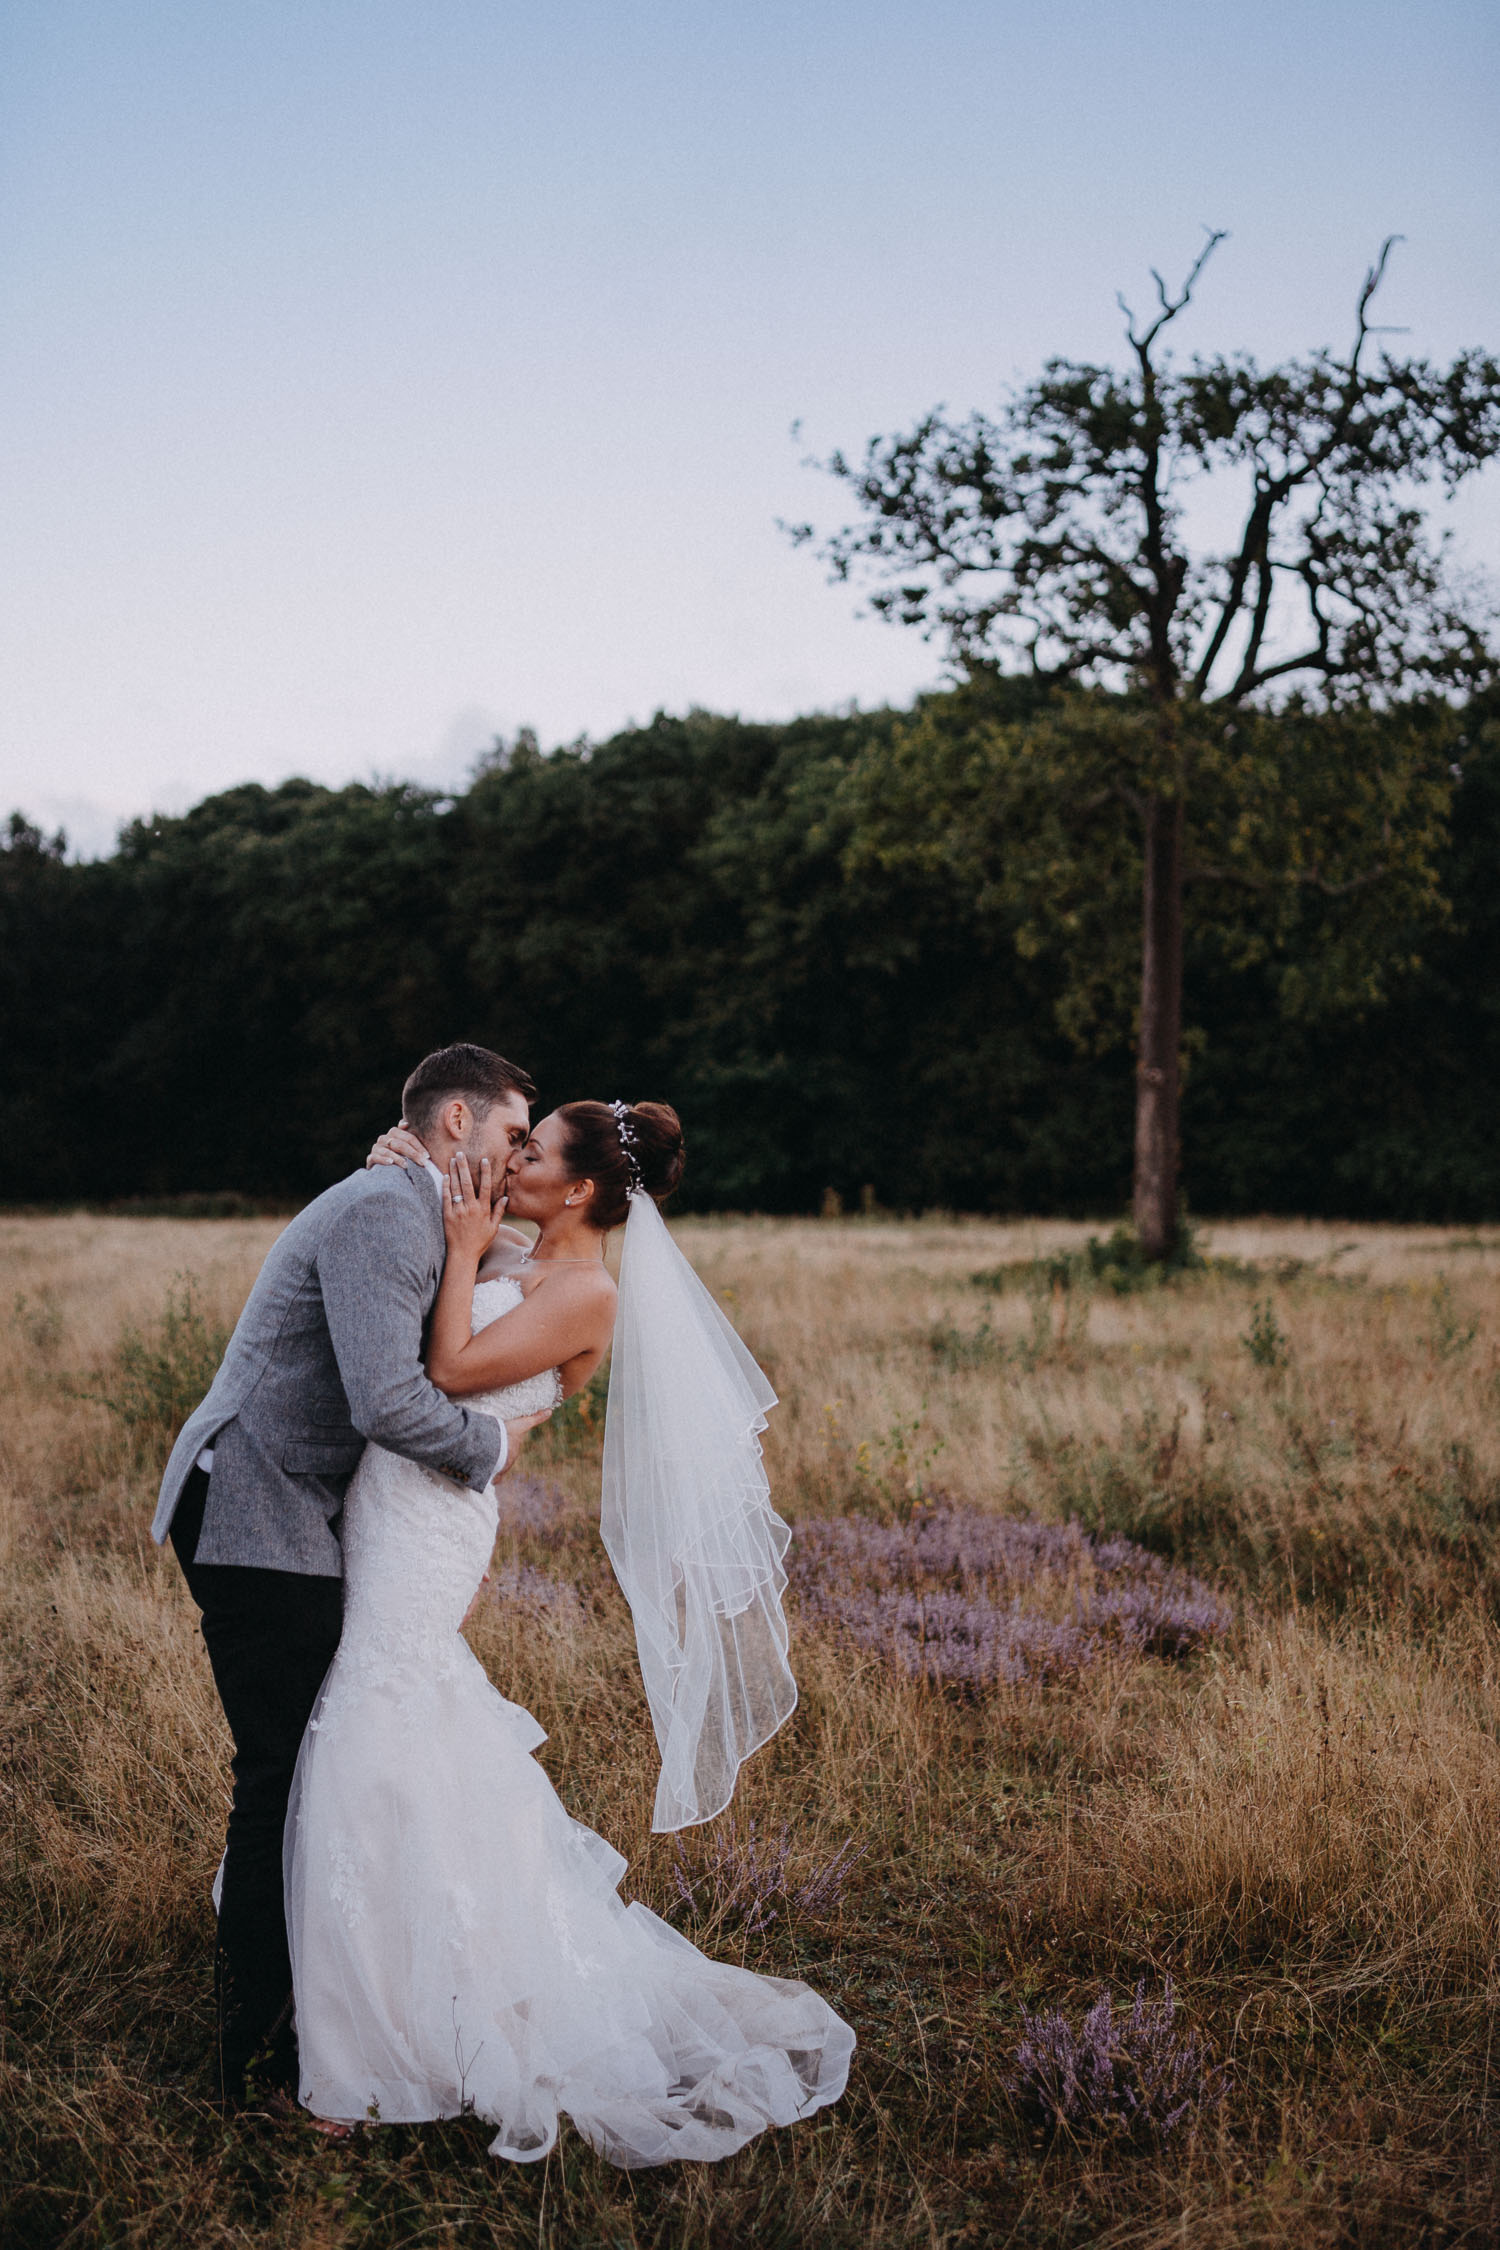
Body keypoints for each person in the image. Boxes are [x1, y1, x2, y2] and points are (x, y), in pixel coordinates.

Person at [282, 1097, 854, 2164]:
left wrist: (459, 1252)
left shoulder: (586, 1289)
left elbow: (449, 1369)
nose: (511, 1160)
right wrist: (408, 1162)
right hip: (391, 1501)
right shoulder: (522, 1249)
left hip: (431, 1520)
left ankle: (374, 2043)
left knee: (372, 1718)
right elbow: (445, 1215)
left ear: (580, 1188)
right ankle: (405, 1983)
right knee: (399, 1718)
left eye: (532, 1150)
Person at [152, 1044, 552, 2108]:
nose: (519, 1155)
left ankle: (303, 2020)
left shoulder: (411, 1200)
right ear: (456, 1121)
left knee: (303, 1773)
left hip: (289, 1511)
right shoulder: (387, 1207)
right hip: (257, 1508)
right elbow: (387, 1404)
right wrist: (498, 1453)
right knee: (280, 1781)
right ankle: (258, 2059)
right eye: (514, 1131)